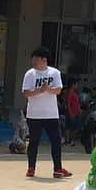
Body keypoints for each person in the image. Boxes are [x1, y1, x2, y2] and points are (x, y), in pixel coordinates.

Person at [23, 46, 71, 179]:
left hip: (51, 114)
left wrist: (48, 89)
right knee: (33, 141)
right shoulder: (30, 74)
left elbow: (58, 90)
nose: (33, 61)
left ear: (43, 60)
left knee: (56, 141)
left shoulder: (54, 73)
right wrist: (40, 90)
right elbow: (26, 93)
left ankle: (57, 168)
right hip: (34, 114)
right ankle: (31, 168)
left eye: (35, 58)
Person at [63, 81, 82, 146]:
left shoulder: (74, 93)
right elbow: (68, 103)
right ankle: (69, 141)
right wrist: (71, 113)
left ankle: (70, 140)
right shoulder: (69, 92)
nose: (77, 86)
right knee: (71, 127)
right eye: (76, 84)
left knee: (74, 127)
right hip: (72, 113)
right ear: (73, 85)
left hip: (76, 112)